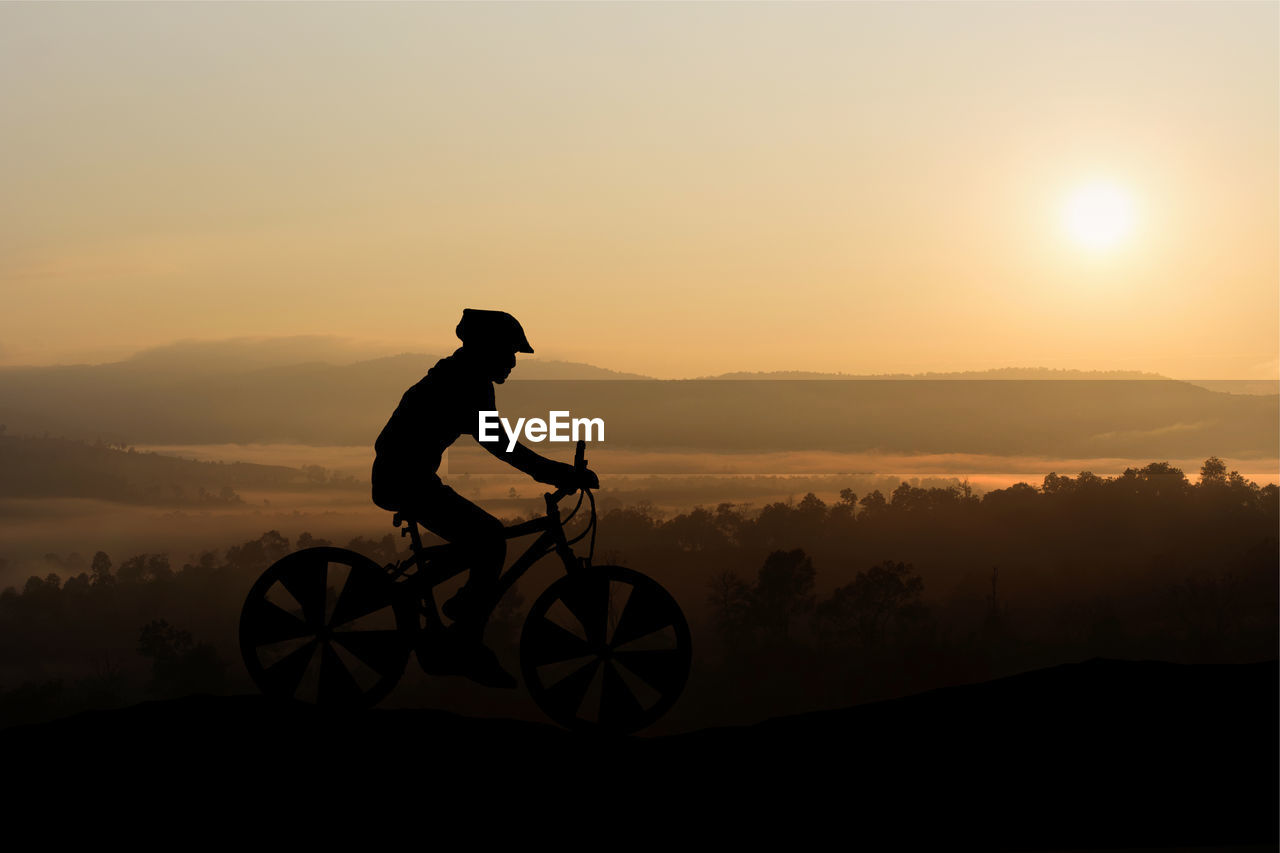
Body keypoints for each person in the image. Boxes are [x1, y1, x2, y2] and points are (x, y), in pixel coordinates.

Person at [371, 309, 598, 688]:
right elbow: (501, 445)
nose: (512, 362)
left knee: (483, 541)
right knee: (489, 539)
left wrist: (555, 471)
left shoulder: (460, 376)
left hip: (407, 478)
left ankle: (451, 612)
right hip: (406, 480)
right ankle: (463, 635)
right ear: (487, 349)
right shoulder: (464, 381)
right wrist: (559, 473)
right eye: (509, 352)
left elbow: (499, 442)